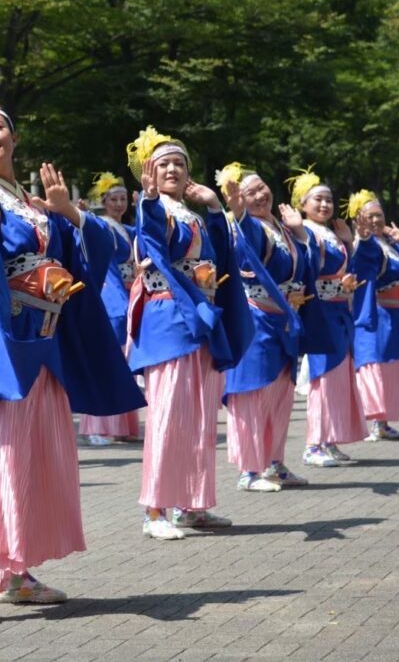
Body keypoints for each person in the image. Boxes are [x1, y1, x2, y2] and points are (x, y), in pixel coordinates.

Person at [0, 92, 144, 625]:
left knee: (30, 459)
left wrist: (67, 210)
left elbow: (97, 256)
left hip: (42, 338)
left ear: (15, 138)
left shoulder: (35, 202)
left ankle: (15, 573)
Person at [126, 127, 253, 539]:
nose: (172, 169)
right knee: (168, 415)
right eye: (163, 164)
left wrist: (215, 206)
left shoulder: (193, 214)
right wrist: (146, 199)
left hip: (201, 316)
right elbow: (149, 238)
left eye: (179, 163)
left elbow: (223, 252)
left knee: (199, 417)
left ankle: (192, 504)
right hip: (168, 319)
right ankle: (155, 510)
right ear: (148, 172)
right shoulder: (153, 209)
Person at [217, 163, 323, 492]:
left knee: (280, 393)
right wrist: (238, 212)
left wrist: (302, 233)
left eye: (262, 187)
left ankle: (274, 463)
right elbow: (246, 243)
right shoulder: (246, 228)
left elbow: (308, 271)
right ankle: (249, 470)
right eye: (250, 193)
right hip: (256, 318)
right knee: (252, 393)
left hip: (284, 320)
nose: (260, 195)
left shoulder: (282, 228)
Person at [289, 167, 367, 467]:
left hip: (340, 311)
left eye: (329, 200)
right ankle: (313, 444)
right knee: (323, 379)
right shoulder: (305, 231)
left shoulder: (332, 233)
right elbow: (308, 268)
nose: (324, 205)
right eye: (318, 200)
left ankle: (330, 438)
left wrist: (348, 243)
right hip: (322, 311)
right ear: (303, 203)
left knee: (339, 378)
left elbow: (349, 274)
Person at [345, 190, 399, 441]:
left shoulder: (390, 245)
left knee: (390, 368)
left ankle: (383, 422)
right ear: (359, 219)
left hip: (397, 315)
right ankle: (373, 421)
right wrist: (364, 241)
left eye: (379, 215)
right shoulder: (363, 245)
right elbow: (365, 270)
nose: (376, 221)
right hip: (377, 314)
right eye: (370, 216)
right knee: (374, 365)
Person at [77, 172, 141, 445]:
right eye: (113, 199)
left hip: (125, 290)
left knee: (122, 360)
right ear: (103, 200)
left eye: (123, 198)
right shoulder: (102, 225)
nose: (118, 203)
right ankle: (98, 426)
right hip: (109, 293)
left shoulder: (125, 228)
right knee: (107, 357)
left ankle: (122, 425)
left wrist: (144, 208)